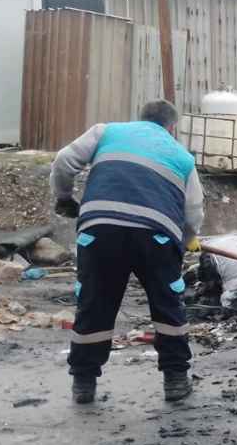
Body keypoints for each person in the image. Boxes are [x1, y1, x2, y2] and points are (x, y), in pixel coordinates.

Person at [50, 99, 205, 404]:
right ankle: (175, 380)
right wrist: (187, 238)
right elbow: (194, 211)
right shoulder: (182, 156)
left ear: (141, 119)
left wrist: (65, 197)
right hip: (157, 235)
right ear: (172, 127)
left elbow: (63, 160)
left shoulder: (107, 131)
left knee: (95, 303)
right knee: (166, 303)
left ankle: (84, 383)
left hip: (100, 230)